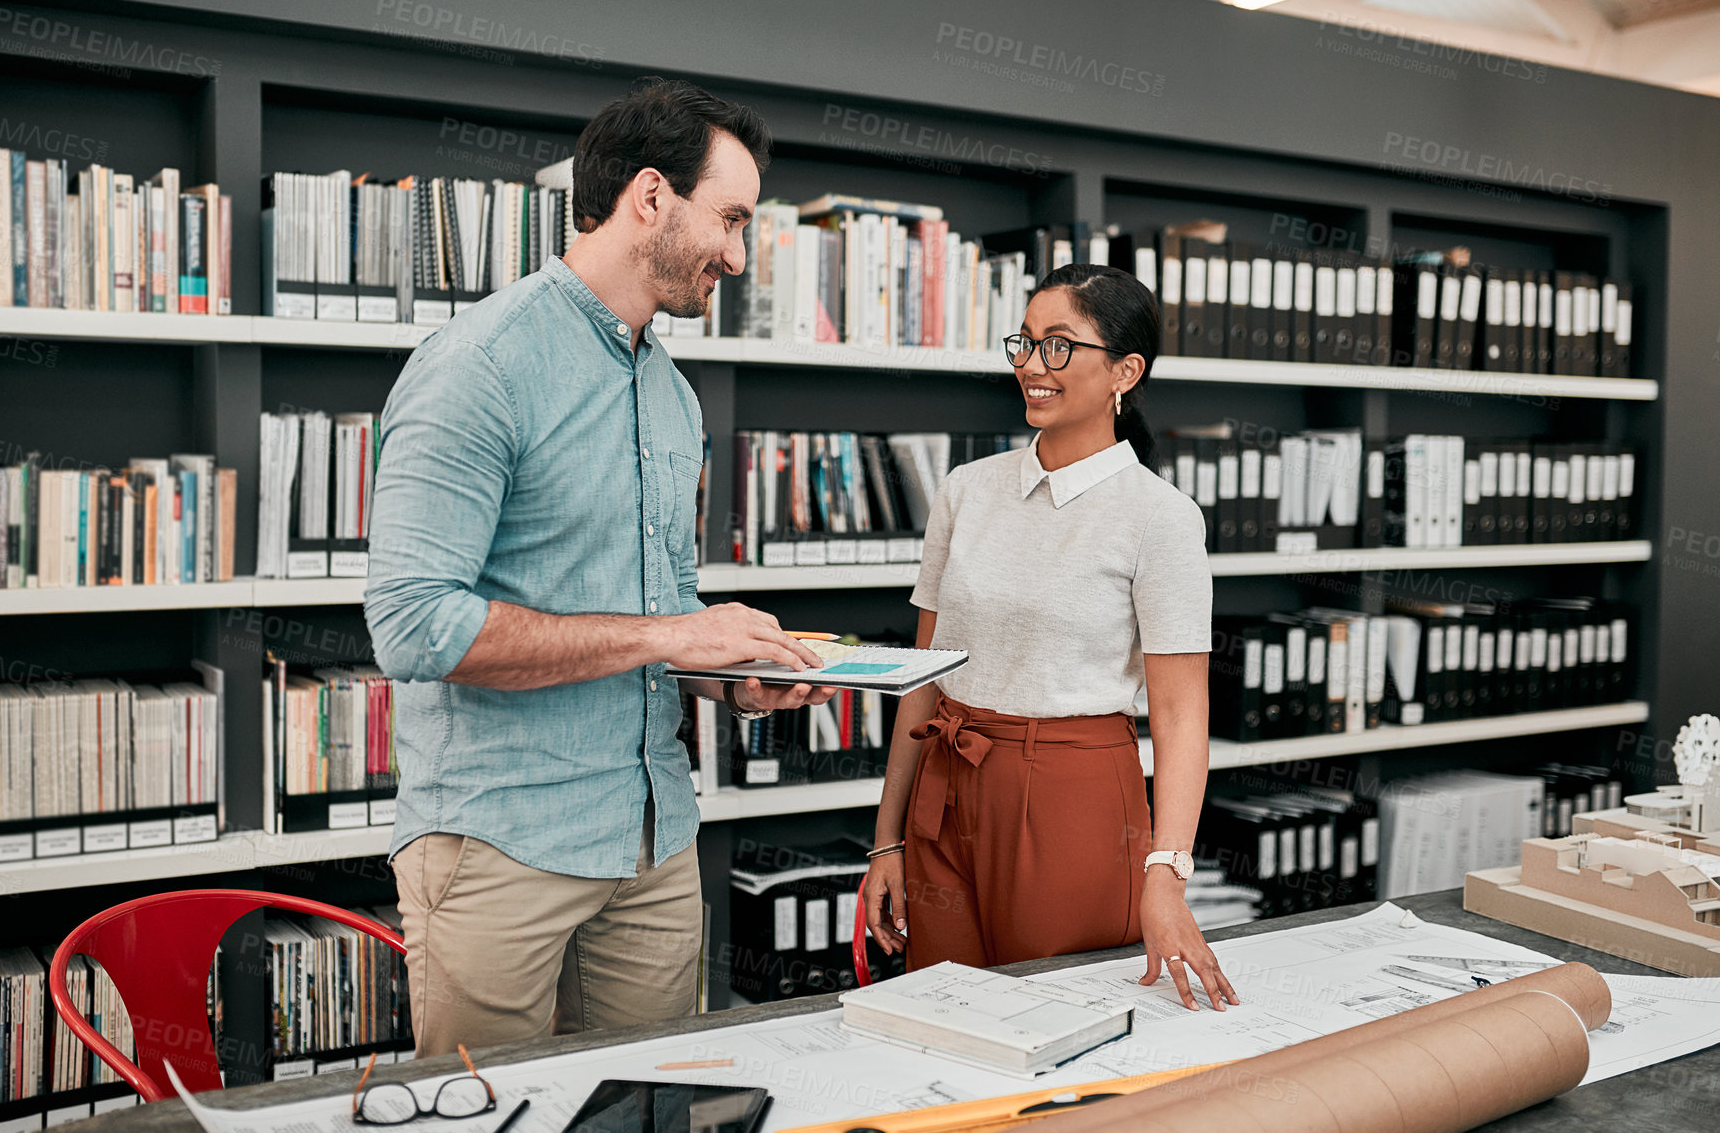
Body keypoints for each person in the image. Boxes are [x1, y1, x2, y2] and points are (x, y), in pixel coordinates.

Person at [364, 77, 835, 1056]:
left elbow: (651, 623)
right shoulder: (478, 365)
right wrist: (677, 633)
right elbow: (415, 626)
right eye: (733, 220)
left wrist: (732, 675)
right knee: (491, 1122)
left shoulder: (671, 395)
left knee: (656, 1107)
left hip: (655, 841)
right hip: (501, 846)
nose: (739, 257)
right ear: (652, 197)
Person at [860, 263, 1239, 1012]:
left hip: (1070, 797)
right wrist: (888, 841)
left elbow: (1181, 715)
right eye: (1026, 343)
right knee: (941, 1014)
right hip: (946, 780)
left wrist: (1166, 871)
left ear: (1124, 372)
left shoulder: (1159, 518)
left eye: (1060, 346)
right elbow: (924, 673)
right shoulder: (967, 489)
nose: (1032, 365)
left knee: (1062, 1026)